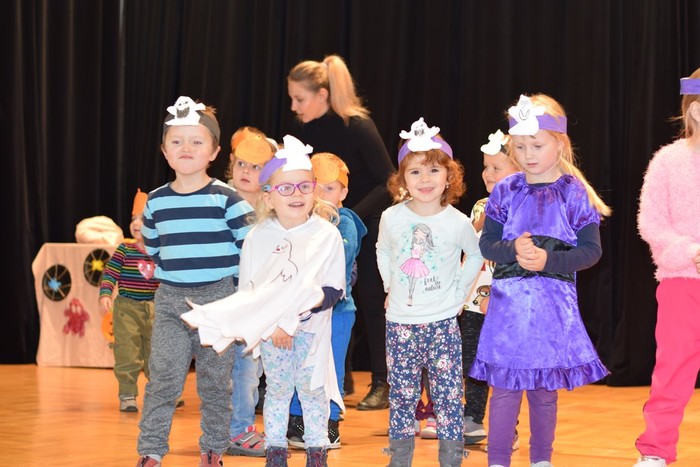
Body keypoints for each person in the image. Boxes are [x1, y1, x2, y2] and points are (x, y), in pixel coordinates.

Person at [180, 134, 347, 467]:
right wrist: (272, 327)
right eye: (286, 188)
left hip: (311, 333)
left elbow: (333, 290)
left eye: (304, 186)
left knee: (313, 391)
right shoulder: (258, 237)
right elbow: (251, 292)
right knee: (278, 391)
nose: (296, 194)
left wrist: (293, 317)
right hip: (273, 336)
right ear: (269, 196)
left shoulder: (326, 235)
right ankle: (276, 453)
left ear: (314, 190)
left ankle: (317, 454)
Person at [469, 94, 612, 467]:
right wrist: (512, 249)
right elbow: (487, 244)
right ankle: (498, 460)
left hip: (551, 310)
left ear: (559, 144)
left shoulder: (573, 192)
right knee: (504, 390)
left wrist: (550, 259)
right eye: (520, 147)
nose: (528, 154)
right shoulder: (506, 190)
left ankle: (541, 460)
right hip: (508, 311)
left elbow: (591, 251)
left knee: (544, 392)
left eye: (537, 145)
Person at [135, 96, 253, 467]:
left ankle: (214, 449)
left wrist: (240, 299)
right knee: (163, 379)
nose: (186, 148)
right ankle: (151, 451)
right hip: (171, 300)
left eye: (196, 141)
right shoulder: (155, 202)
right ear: (164, 151)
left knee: (215, 382)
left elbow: (251, 248)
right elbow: (153, 247)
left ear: (214, 151)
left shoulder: (229, 199)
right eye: (176, 141)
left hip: (218, 299)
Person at [287, 54, 395, 410]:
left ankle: (382, 382)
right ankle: (340, 377)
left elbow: (387, 181)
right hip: (325, 226)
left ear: (322, 94)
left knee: (370, 299)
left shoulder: (358, 126)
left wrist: (348, 217)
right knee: (329, 298)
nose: (294, 107)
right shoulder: (306, 131)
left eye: (299, 99)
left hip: (365, 222)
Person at [377, 117, 483, 467]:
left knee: (449, 396)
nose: (425, 179)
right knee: (402, 395)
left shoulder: (457, 221)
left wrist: (459, 295)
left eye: (434, 170)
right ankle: (399, 460)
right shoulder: (391, 217)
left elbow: (476, 254)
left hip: (442, 325)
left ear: (449, 176)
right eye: (415, 172)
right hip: (400, 325)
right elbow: (383, 250)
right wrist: (390, 285)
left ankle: (450, 460)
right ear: (402, 179)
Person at [633, 68, 700, 467]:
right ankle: (656, 450)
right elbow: (651, 222)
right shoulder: (668, 161)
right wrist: (691, 251)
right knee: (673, 369)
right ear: (694, 110)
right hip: (682, 281)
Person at [286, 152, 367, 450]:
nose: (321, 194)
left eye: (329, 188)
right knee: (302, 366)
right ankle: (297, 420)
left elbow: (338, 261)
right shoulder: (300, 221)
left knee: (331, 369)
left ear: (343, 192)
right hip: (303, 312)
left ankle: (330, 423)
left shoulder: (345, 222)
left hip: (338, 312)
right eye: (315, 186)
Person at [461, 130, 520, 448]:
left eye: (497, 167)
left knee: (505, 364)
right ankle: (472, 418)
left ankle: (507, 426)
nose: (488, 173)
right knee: (473, 360)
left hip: (507, 300)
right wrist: (480, 222)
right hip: (475, 299)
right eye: (485, 167)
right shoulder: (480, 205)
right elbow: (468, 245)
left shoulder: (525, 206)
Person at [223, 128, 275, 457]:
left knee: (250, 369)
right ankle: (236, 430)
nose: (246, 171)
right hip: (224, 296)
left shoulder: (272, 207)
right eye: (241, 164)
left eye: (256, 167)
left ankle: (238, 428)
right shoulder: (219, 200)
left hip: (258, 300)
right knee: (237, 369)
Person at [99, 189, 160, 413]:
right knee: (127, 352)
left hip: (154, 310)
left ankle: (161, 394)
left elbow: (168, 279)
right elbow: (110, 274)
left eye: (142, 219)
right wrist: (106, 294)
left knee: (156, 353)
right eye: (134, 218)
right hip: (126, 309)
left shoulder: (159, 252)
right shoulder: (124, 249)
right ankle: (127, 394)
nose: (136, 223)